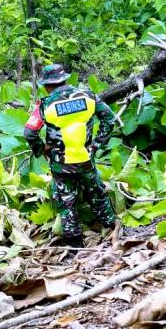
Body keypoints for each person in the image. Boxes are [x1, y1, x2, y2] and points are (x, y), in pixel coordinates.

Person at [24, 63, 116, 248]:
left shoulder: (46, 104)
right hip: (85, 158)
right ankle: (111, 229)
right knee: (96, 192)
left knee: (66, 201)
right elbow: (109, 118)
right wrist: (97, 144)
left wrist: (42, 149)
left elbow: (29, 132)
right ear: (65, 79)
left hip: (61, 162)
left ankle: (75, 243)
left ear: (47, 85)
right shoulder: (88, 96)